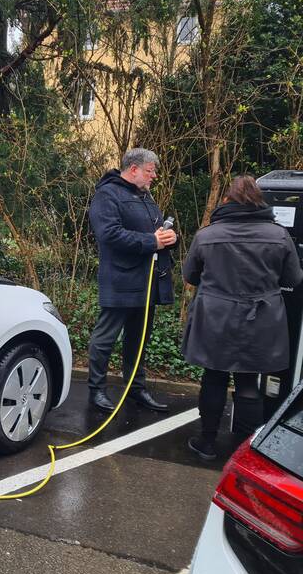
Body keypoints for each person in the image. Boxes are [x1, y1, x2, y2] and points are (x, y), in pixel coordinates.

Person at [182, 175, 303, 460]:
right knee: (249, 382)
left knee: (213, 377)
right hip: (261, 319)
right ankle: (244, 450)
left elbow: (190, 276)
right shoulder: (278, 235)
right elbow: (294, 278)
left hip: (215, 317)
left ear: (227, 200)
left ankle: (206, 442)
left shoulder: (207, 235)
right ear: (259, 201)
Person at [87, 148, 177, 413]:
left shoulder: (146, 196)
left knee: (139, 340)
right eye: (150, 171)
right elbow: (109, 234)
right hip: (120, 279)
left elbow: (157, 233)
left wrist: (170, 239)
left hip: (147, 281)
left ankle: (135, 389)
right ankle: (96, 390)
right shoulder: (107, 194)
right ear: (134, 169)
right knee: (105, 338)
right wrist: (152, 241)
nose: (154, 176)